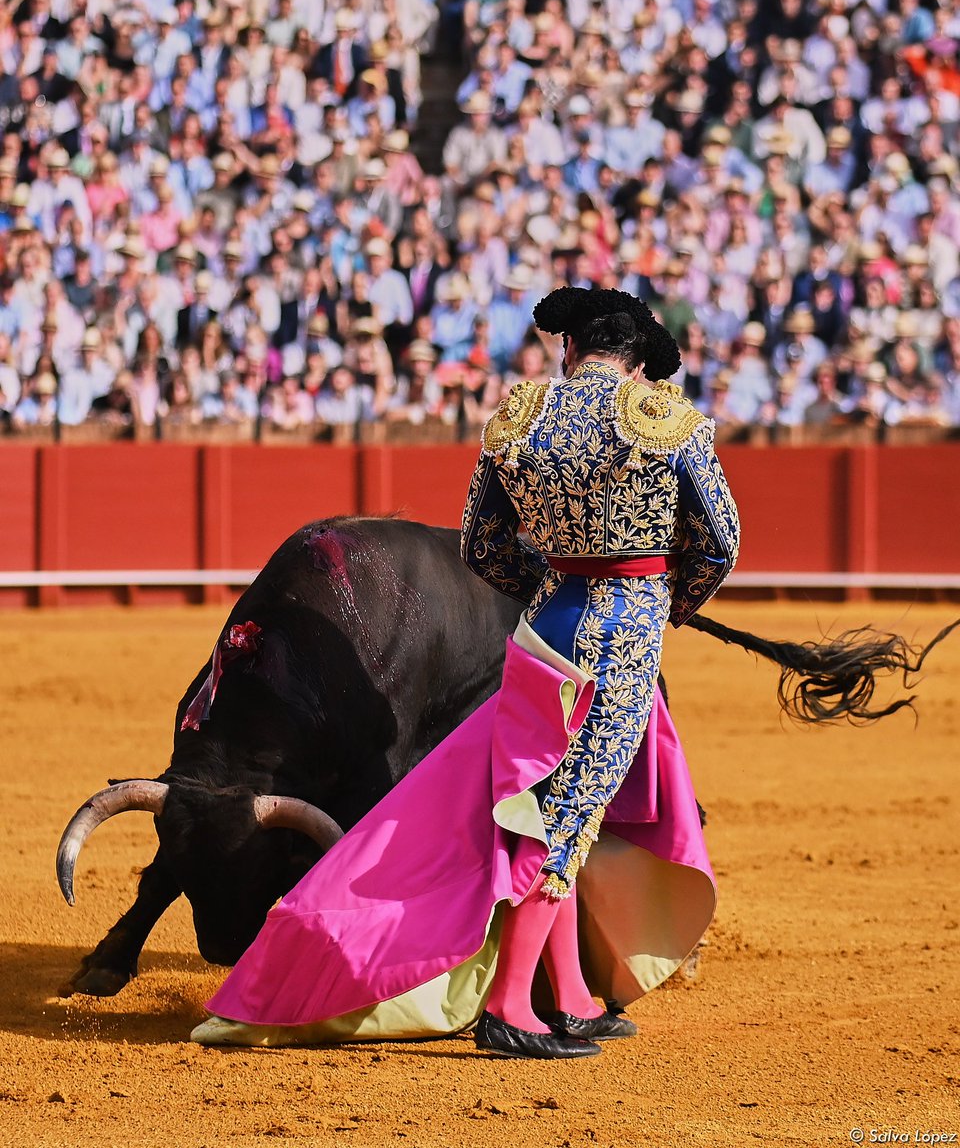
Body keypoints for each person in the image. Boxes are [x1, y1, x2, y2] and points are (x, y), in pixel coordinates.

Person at [190, 287, 740, 1060]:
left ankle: (572, 994)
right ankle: (512, 1006)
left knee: (542, 800)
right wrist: (665, 600)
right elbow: (721, 538)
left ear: (569, 350)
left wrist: (553, 582)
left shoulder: (520, 418)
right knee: (569, 811)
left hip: (544, 627)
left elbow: (481, 546)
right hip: (622, 629)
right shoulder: (668, 421)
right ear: (639, 361)